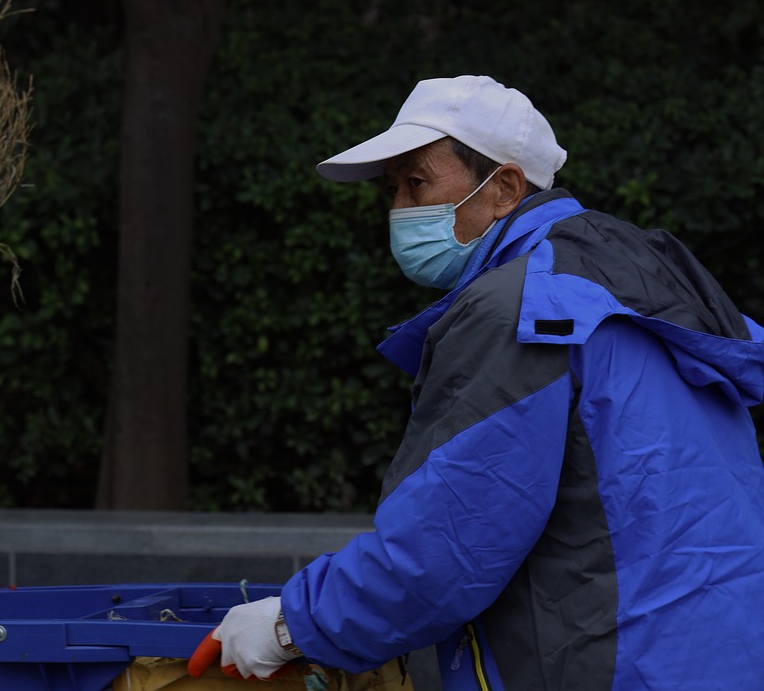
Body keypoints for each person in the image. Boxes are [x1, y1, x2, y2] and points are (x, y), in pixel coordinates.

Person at [197, 75, 764, 689]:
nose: (400, 210)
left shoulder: (520, 308)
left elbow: (451, 542)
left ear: (504, 189)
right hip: (717, 652)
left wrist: (294, 624)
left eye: (418, 184)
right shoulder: (626, 278)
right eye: (392, 190)